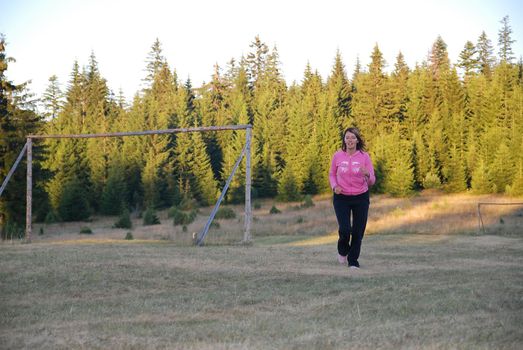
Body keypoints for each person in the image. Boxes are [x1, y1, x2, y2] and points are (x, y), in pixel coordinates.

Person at [329, 127, 375, 269]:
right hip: (341, 197)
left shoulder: (364, 157)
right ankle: (343, 250)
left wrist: (367, 175)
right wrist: (334, 186)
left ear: (357, 140)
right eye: (347, 137)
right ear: (344, 140)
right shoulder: (337, 156)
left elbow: (372, 180)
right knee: (345, 229)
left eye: (353, 137)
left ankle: (353, 261)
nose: (350, 140)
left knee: (357, 231)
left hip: (361, 197)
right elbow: (331, 174)